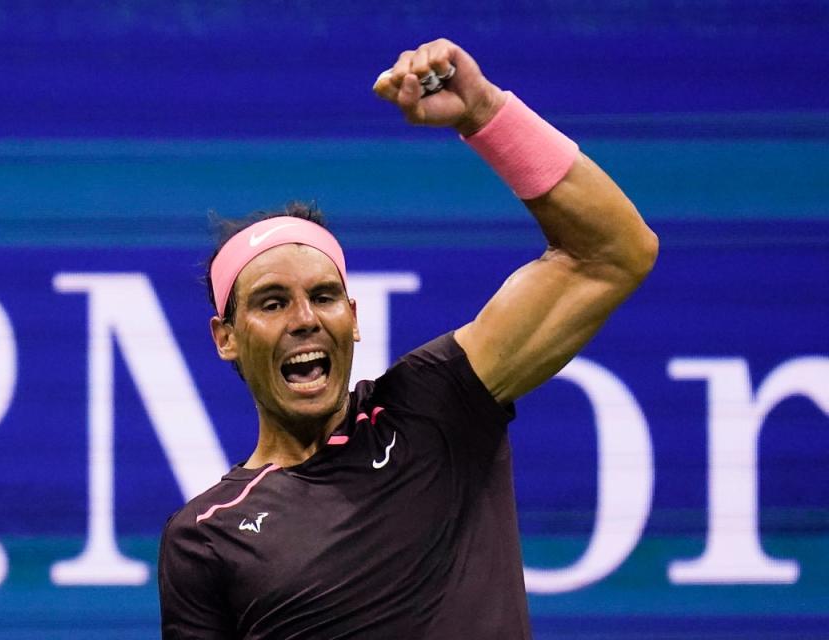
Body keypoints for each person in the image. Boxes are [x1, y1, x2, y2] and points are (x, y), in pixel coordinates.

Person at [158, 38, 658, 639]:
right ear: (226, 337)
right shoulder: (207, 536)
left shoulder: (435, 406)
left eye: (323, 296)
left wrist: (485, 113)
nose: (305, 319)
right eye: (272, 303)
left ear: (354, 316)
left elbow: (613, 254)